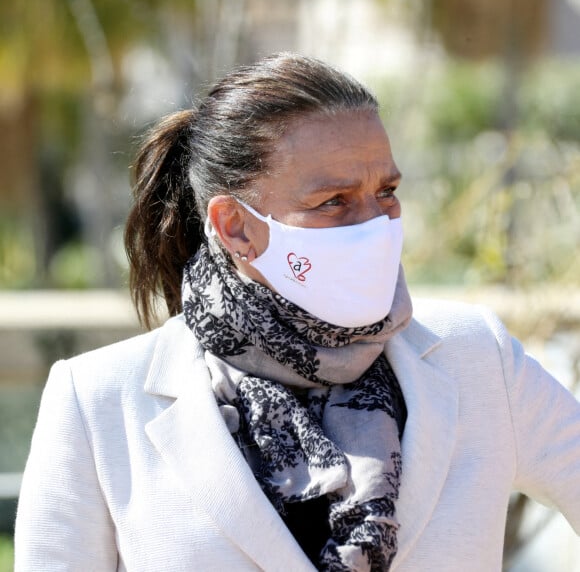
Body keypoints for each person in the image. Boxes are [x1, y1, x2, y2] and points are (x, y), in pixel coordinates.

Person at [14, 52, 580, 572]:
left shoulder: (476, 356)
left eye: (386, 192)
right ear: (235, 226)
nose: (374, 224)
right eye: (332, 202)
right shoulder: (99, 401)